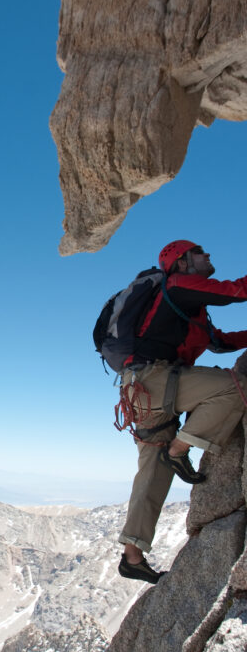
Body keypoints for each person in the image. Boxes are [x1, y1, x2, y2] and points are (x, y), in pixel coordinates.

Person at [118, 240, 247, 584]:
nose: (209, 256)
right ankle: (180, 448)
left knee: (152, 471)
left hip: (141, 390)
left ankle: (132, 556)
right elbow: (237, 291)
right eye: (200, 252)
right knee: (236, 388)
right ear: (184, 261)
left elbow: (219, 343)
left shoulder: (189, 307)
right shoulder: (178, 285)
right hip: (156, 381)